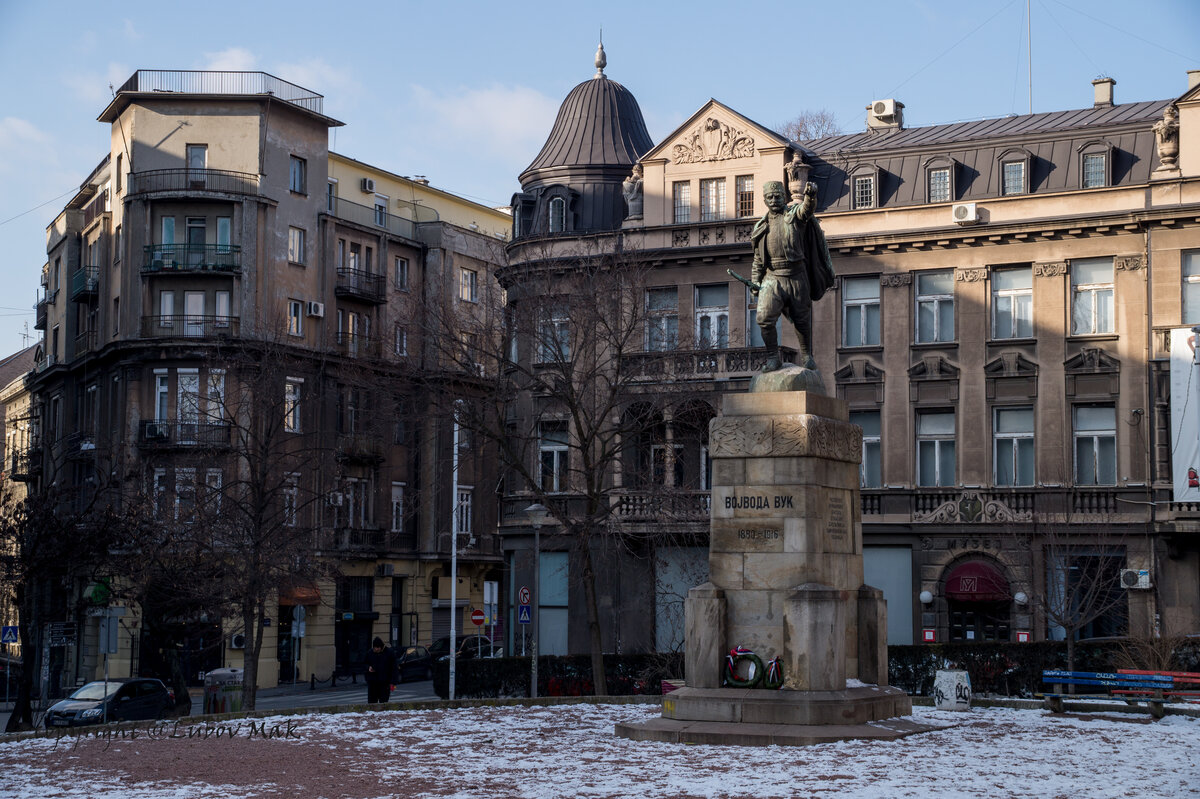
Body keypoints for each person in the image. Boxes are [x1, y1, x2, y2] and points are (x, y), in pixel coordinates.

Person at [750, 179, 835, 372]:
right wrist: (755, 280)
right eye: (769, 197)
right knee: (763, 318)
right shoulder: (761, 226)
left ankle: (806, 355)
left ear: (784, 197)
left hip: (796, 275)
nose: (773, 200)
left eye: (777, 196)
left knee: (801, 319)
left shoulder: (794, 215)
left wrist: (810, 196)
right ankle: (773, 357)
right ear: (764, 200)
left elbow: (807, 210)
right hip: (772, 277)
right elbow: (757, 258)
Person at [364, 636, 396, 704]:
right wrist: (368, 668)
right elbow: (365, 664)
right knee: (372, 704)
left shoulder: (389, 653)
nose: (375, 650)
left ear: (380, 647)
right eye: (374, 648)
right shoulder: (370, 652)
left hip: (384, 683)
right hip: (372, 683)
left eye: (376, 648)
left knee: (383, 703)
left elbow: (394, 668)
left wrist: (392, 683)